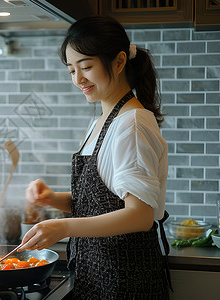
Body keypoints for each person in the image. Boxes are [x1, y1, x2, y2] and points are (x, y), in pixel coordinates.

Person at [18, 16, 171, 299]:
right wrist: (54, 199)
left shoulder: (132, 123)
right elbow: (103, 201)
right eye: (71, 71)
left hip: (126, 281)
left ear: (119, 61)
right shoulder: (102, 121)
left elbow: (139, 215)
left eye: (86, 67)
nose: (78, 80)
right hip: (97, 277)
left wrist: (63, 227)